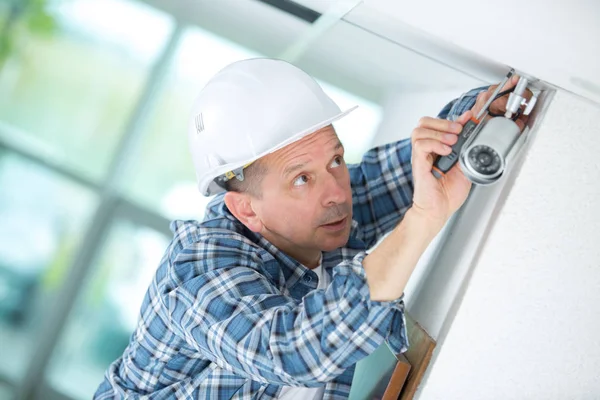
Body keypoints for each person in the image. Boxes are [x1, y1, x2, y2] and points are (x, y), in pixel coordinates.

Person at [94, 58, 528, 399]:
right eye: (302, 178)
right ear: (245, 209)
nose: (336, 191)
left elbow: (400, 173)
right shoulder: (195, 274)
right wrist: (423, 219)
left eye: (335, 160)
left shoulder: (316, 215)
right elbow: (294, 351)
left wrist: (478, 116)